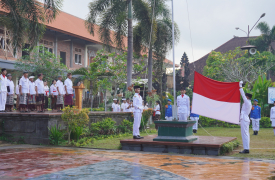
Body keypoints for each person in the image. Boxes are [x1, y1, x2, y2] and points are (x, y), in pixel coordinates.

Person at [239, 81, 252, 154]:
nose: (245, 97)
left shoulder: (247, 102)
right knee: (245, 134)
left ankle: (246, 149)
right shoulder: (248, 103)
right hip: (245, 118)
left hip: (244, 118)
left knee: (245, 134)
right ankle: (246, 148)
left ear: (247, 97)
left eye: (246, 96)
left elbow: (243, 95)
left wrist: (240, 86)